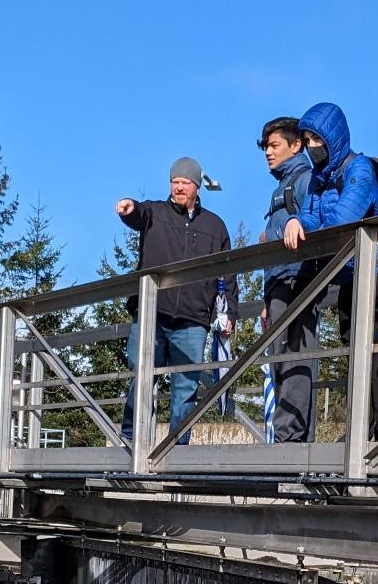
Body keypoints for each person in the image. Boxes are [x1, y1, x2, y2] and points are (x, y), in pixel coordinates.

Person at [280, 101, 378, 440]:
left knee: (376, 351)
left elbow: (341, 222)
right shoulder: (320, 180)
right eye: (307, 140)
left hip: (377, 272)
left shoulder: (359, 170)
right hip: (349, 275)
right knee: (354, 351)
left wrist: (310, 228)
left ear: (333, 138)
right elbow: (310, 216)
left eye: (317, 139)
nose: (312, 147)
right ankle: (361, 429)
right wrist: (294, 221)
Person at [116, 157, 230, 442]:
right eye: (175, 182)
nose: (179, 187)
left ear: (196, 187)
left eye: (185, 183)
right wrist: (128, 207)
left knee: (186, 388)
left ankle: (178, 448)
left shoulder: (215, 226)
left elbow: (227, 274)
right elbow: (137, 214)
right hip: (153, 313)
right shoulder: (155, 212)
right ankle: (131, 440)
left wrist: (231, 314)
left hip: (193, 318)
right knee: (140, 376)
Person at [257, 117, 321, 442]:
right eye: (265, 146)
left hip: (298, 281)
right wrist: (267, 297)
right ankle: (285, 436)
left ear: (296, 145)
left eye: (274, 145)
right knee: (280, 361)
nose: (267, 152)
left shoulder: (304, 178)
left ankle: (292, 441)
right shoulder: (280, 186)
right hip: (278, 284)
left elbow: (314, 223)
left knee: (296, 358)